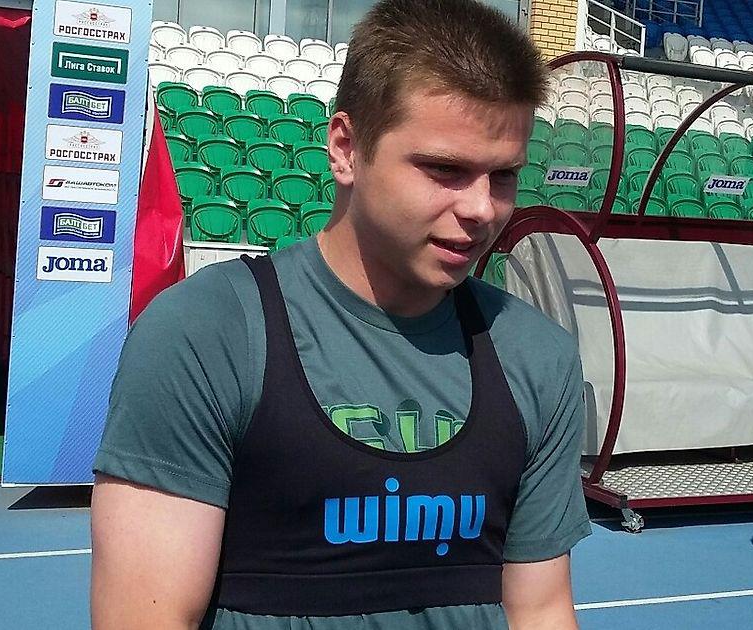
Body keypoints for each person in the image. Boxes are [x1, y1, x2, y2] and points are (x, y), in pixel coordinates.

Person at [89, 1, 592, 628]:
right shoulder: (205, 335)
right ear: (346, 148)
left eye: (504, 176)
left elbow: (540, 610)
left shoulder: (537, 356)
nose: (482, 209)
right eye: (445, 170)